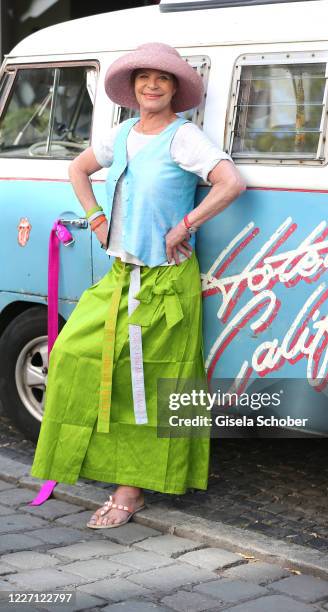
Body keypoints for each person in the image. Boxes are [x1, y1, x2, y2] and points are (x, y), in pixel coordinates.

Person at [30, 42, 245, 529]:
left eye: (163, 79)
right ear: (132, 88)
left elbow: (230, 182)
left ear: (174, 91)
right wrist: (96, 216)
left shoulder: (183, 137)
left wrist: (184, 224)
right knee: (73, 355)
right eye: (144, 77)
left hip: (166, 282)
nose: (152, 85)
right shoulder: (122, 133)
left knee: (152, 383)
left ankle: (130, 492)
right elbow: (78, 169)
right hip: (121, 274)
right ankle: (88, 464)